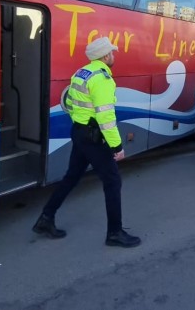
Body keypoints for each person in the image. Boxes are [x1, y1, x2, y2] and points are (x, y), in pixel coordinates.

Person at [32, 36, 141, 248]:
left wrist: (81, 125)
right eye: (112, 52)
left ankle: (46, 218)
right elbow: (106, 117)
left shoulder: (81, 73)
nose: (114, 55)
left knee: (72, 176)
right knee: (112, 181)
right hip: (94, 137)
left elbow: (70, 103)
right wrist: (117, 147)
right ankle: (114, 233)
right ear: (105, 55)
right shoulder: (102, 79)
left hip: (80, 132)